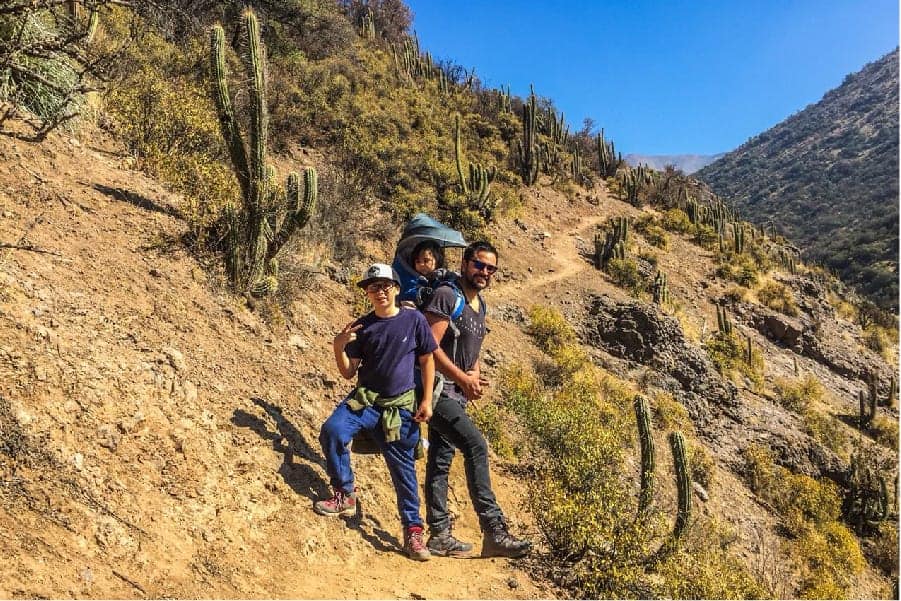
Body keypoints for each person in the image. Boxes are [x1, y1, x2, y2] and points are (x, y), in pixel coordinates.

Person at [315, 263, 437, 561]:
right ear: (367, 293)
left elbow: (427, 360)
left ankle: (413, 533)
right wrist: (338, 346)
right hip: (366, 402)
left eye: (385, 286)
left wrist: (427, 400)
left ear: (396, 288)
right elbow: (348, 372)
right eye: (373, 287)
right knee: (333, 431)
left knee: (403, 471)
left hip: (399, 408)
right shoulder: (364, 326)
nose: (379, 292)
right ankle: (345, 493)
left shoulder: (414, 320)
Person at [422, 241, 532, 558]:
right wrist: (462, 378)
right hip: (436, 389)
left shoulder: (478, 304)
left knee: (441, 461)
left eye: (490, 268)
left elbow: (473, 349)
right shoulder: (447, 295)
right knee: (475, 446)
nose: (484, 272)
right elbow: (429, 347)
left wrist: (475, 374)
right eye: (479, 265)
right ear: (465, 263)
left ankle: (440, 534)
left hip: (456, 393)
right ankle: (495, 531)